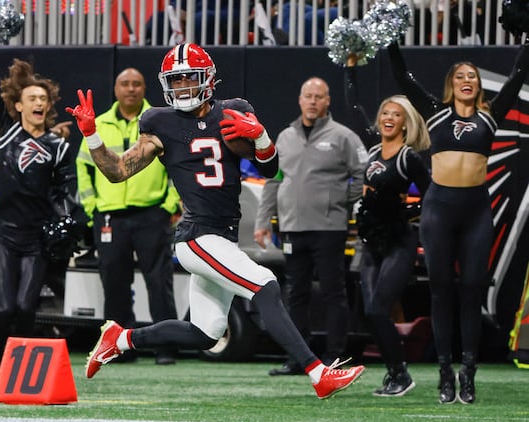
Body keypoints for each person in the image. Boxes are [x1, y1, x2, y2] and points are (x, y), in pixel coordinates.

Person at [67, 43, 365, 399]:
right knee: (265, 284)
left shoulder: (232, 112)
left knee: (206, 332)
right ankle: (318, 374)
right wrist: (92, 135)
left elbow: (273, 169)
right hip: (196, 236)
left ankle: (122, 338)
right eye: (175, 81)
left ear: (208, 79)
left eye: (189, 78)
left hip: (222, 237)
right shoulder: (160, 122)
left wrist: (260, 136)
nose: (182, 88)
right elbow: (117, 171)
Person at [387, 38, 529, 403]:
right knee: (440, 290)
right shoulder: (435, 112)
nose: (468, 80)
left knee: (471, 290)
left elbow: (517, 75)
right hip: (439, 209)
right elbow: (403, 77)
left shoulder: (490, 115)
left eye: (473, 76)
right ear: (451, 84)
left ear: (479, 86)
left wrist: (527, 39)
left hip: (476, 210)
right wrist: (392, 42)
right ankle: (445, 373)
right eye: (461, 76)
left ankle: (469, 374)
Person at [0, 35, 83, 396]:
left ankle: (19, 375)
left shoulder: (58, 147)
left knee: (25, 309)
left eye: (43, 98)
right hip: (4, 236)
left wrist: (69, 218)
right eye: (32, 98)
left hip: (35, 239)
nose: (39, 102)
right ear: (19, 106)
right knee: (4, 309)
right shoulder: (6, 137)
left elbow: (64, 190)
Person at [254, 77, 367, 376]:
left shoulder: (343, 136)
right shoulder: (285, 136)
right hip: (292, 227)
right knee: (295, 294)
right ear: (300, 100)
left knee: (334, 292)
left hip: (330, 228)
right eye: (308, 96)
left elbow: (362, 171)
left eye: (319, 96)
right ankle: (299, 358)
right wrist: (263, 221)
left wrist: (340, 201)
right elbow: (273, 180)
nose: (313, 101)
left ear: (328, 101)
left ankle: (335, 356)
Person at [77, 67, 182, 365]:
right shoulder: (98, 124)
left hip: (152, 213)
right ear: (116, 89)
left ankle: (166, 346)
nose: (131, 89)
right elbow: (82, 169)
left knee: (159, 281)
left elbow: (176, 168)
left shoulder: (159, 121)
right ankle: (118, 348)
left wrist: (170, 204)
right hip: (109, 216)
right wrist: (92, 207)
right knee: (114, 282)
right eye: (125, 84)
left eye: (137, 84)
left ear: (145, 88)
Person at [345, 54, 432, 396]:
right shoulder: (372, 151)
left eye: (396, 115)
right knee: (370, 310)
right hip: (372, 240)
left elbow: (432, 196)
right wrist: (350, 69)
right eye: (385, 113)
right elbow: (354, 110)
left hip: (399, 239)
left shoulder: (408, 156)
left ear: (406, 122)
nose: (388, 119)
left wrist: (406, 213)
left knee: (380, 306)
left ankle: (400, 374)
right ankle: (397, 373)